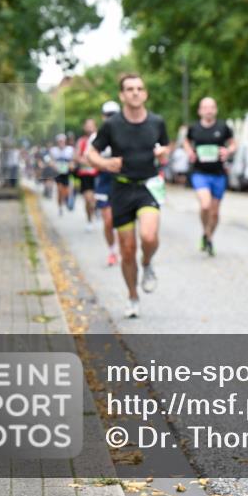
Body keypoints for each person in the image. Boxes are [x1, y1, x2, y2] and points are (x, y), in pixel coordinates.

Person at [86, 75, 170, 319]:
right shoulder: (112, 125)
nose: (135, 93)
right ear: (122, 95)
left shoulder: (157, 122)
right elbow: (91, 153)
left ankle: (147, 263)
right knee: (127, 249)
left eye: (139, 89)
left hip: (148, 187)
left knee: (149, 236)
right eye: (129, 89)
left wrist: (164, 152)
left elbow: (165, 148)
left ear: (145, 94)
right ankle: (133, 296)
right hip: (121, 189)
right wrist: (104, 163)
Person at [184, 97, 236, 256]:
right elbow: (186, 141)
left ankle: (208, 236)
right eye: (205, 107)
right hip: (200, 173)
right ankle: (206, 233)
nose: (208, 110)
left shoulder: (223, 127)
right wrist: (189, 152)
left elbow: (233, 143)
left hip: (219, 174)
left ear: (215, 110)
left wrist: (228, 151)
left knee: (214, 212)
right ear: (200, 111)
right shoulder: (194, 128)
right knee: (205, 205)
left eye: (211, 107)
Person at [90, 102, 121, 266]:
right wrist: (105, 163)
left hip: (123, 181)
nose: (111, 118)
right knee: (108, 221)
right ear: (103, 116)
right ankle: (112, 250)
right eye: (108, 115)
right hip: (104, 181)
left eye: (114, 114)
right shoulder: (96, 137)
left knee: (123, 220)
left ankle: (125, 246)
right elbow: (90, 158)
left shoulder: (126, 132)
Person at [74, 118, 100, 232]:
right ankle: (89, 220)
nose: (89, 127)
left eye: (91, 125)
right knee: (88, 199)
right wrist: (84, 161)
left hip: (99, 173)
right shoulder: (81, 141)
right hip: (85, 174)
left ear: (95, 127)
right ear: (84, 128)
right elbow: (76, 156)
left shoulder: (100, 139)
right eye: (87, 125)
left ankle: (97, 210)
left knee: (96, 199)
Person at [48, 134, 74, 215]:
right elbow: (51, 161)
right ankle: (60, 207)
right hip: (58, 173)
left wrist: (71, 165)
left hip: (66, 173)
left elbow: (73, 161)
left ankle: (66, 200)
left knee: (65, 191)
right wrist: (53, 165)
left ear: (65, 141)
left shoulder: (70, 150)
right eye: (59, 141)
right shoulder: (53, 150)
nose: (61, 143)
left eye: (62, 141)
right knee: (59, 190)